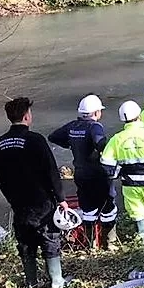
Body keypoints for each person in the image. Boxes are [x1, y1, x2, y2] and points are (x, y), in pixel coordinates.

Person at [0, 97, 68, 288]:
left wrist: (11, 197)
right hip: (42, 201)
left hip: (19, 202)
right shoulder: (36, 140)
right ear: (27, 116)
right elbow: (51, 171)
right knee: (50, 238)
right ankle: (57, 282)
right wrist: (61, 199)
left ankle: (31, 283)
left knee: (26, 242)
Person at [48, 94, 117, 250]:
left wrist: (72, 144)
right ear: (96, 113)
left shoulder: (72, 126)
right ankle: (109, 244)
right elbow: (101, 144)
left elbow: (53, 137)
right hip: (98, 175)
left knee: (88, 210)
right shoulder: (95, 127)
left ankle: (90, 245)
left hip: (80, 174)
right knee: (108, 208)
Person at [100, 101, 144, 243]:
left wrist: (117, 175)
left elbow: (106, 164)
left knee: (137, 211)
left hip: (129, 184)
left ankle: (141, 237)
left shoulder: (116, 139)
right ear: (139, 115)